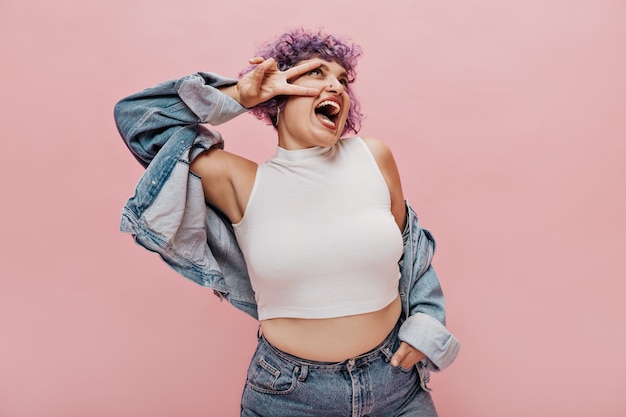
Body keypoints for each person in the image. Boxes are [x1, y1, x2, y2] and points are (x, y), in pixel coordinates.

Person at [114, 28, 459, 417]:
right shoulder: (240, 182)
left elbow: (412, 253)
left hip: (395, 387)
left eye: (343, 80)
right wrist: (241, 97)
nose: (336, 86)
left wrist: (427, 323)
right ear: (278, 95)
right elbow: (137, 120)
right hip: (289, 396)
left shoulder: (373, 156)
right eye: (317, 74)